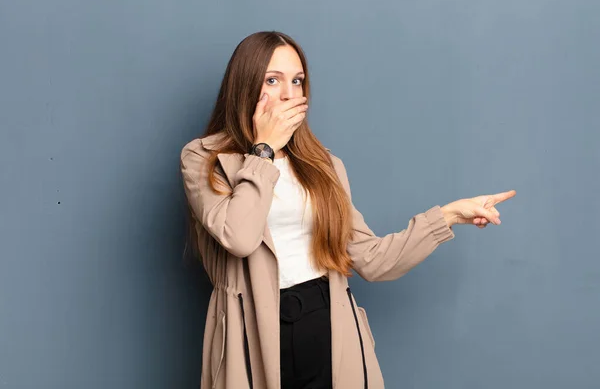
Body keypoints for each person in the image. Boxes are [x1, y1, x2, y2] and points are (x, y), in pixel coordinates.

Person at [180, 31, 516, 389]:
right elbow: (240, 237)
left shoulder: (322, 165)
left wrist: (447, 216)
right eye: (272, 80)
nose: (288, 93)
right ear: (244, 85)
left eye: (297, 81)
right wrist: (263, 151)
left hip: (327, 325)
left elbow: (370, 259)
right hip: (250, 332)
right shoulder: (205, 158)